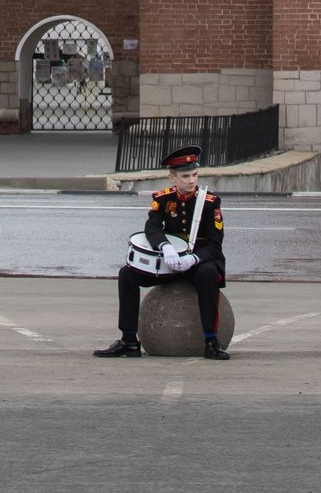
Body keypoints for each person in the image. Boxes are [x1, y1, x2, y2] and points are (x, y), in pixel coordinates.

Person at [95, 145, 229, 360]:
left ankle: (211, 342)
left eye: (195, 175)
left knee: (207, 275)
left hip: (199, 262)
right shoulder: (163, 199)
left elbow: (215, 245)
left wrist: (194, 258)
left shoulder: (210, 202)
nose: (191, 181)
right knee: (127, 274)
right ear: (172, 178)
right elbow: (152, 228)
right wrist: (164, 246)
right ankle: (129, 341)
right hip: (171, 262)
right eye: (185, 176)